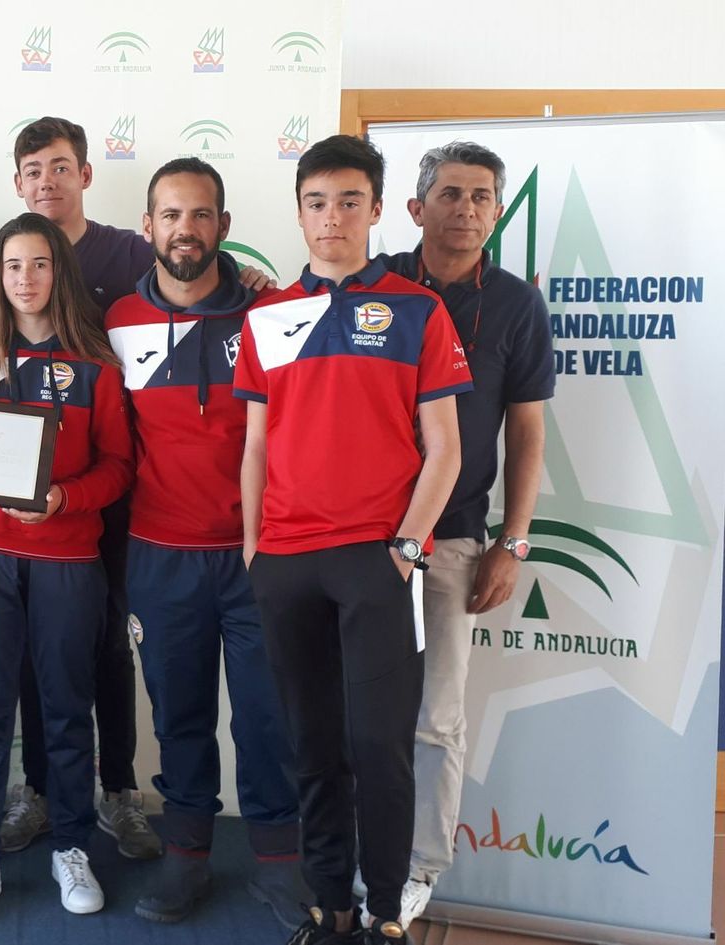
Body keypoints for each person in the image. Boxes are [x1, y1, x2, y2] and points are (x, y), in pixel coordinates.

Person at [234, 134, 471, 945]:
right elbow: (257, 444)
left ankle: (382, 917)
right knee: (313, 746)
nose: (330, 217)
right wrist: (251, 546)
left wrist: (406, 549)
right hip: (286, 561)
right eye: (315, 202)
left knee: (381, 748)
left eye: (347, 201)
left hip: (379, 560)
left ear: (375, 208)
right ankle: (329, 906)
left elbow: (446, 447)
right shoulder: (270, 314)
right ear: (298, 211)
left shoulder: (416, 308)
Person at [104, 158, 305, 927]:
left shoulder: (275, 310)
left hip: (261, 552)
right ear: (148, 225)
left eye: (200, 215)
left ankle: (280, 862)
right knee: (179, 712)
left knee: (266, 714)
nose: (184, 229)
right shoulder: (116, 319)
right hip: (160, 554)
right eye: (170, 215)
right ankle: (186, 852)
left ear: (222, 225)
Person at [0, 212, 134, 930]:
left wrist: (63, 498)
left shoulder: (95, 365)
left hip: (68, 558)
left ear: (60, 273)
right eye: (13, 265)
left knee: (65, 708)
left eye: (39, 264)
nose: (26, 278)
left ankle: (72, 845)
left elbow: (117, 466)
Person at [380, 142, 554, 927]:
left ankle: (421, 867)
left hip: (452, 539)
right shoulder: (374, 284)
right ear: (417, 207)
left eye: (483, 197)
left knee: (436, 717)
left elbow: (526, 435)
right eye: (450, 193)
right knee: (359, 711)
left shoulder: (517, 306)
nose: (468, 209)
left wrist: (513, 542)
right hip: (361, 539)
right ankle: (360, 855)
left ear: (496, 210)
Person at [2, 116, 159, 861]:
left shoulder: (128, 251)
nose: (46, 181)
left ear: (86, 174)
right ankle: (37, 788)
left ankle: (119, 792)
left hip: (118, 479)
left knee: (105, 646)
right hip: (30, 498)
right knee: (40, 648)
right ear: (18, 183)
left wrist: (250, 276)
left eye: (60, 167)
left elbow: (193, 283)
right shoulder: (9, 262)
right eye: (33, 170)